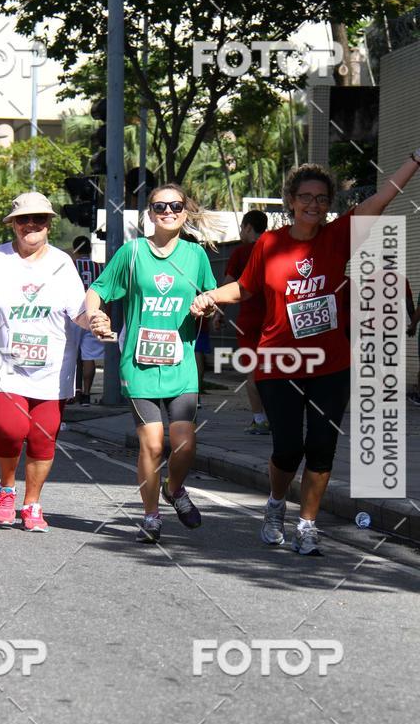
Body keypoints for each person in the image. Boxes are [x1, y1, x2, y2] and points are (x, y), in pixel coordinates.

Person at [191, 155, 420, 556]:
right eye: (305, 197)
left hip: (330, 363)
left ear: (328, 203)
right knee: (287, 448)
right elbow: (244, 289)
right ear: (291, 202)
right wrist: (210, 296)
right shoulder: (269, 244)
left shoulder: (338, 236)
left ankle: (308, 524)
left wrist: (415, 160)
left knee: (321, 445)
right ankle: (276, 505)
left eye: (320, 198)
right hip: (279, 362)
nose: (313, 204)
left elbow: (383, 198)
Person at [86, 183, 218, 544]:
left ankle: (174, 490)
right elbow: (97, 289)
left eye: (175, 205)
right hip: (140, 365)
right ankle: (151, 515)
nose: (168, 212)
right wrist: (95, 314)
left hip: (182, 364)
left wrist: (208, 306)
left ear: (185, 211)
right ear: (150, 213)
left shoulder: (196, 256)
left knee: (185, 443)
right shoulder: (131, 253)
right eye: (160, 206)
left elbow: (212, 297)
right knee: (153, 444)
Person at [0, 192, 92, 531]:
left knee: (43, 439)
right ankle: (7, 487)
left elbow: (79, 310)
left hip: (54, 369)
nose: (31, 225)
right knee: (9, 430)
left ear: (49, 225)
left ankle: (32, 503)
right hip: (8, 366)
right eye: (24, 219)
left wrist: (96, 320)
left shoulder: (61, 262)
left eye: (39, 219)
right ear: (12, 224)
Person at [224, 209, 269, 433]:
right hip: (276, 320)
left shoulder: (241, 253)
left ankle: (260, 419)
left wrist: (217, 312)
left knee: (253, 372)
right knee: (275, 369)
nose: (241, 232)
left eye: (242, 228)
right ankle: (278, 416)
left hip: (249, 319)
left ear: (249, 227)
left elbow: (227, 286)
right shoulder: (275, 249)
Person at [71, 235, 104, 405]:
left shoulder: (71, 265)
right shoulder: (99, 267)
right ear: (90, 250)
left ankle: (72, 391)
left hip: (74, 314)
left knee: (71, 354)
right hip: (93, 313)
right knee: (88, 356)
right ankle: (86, 393)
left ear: (75, 249)